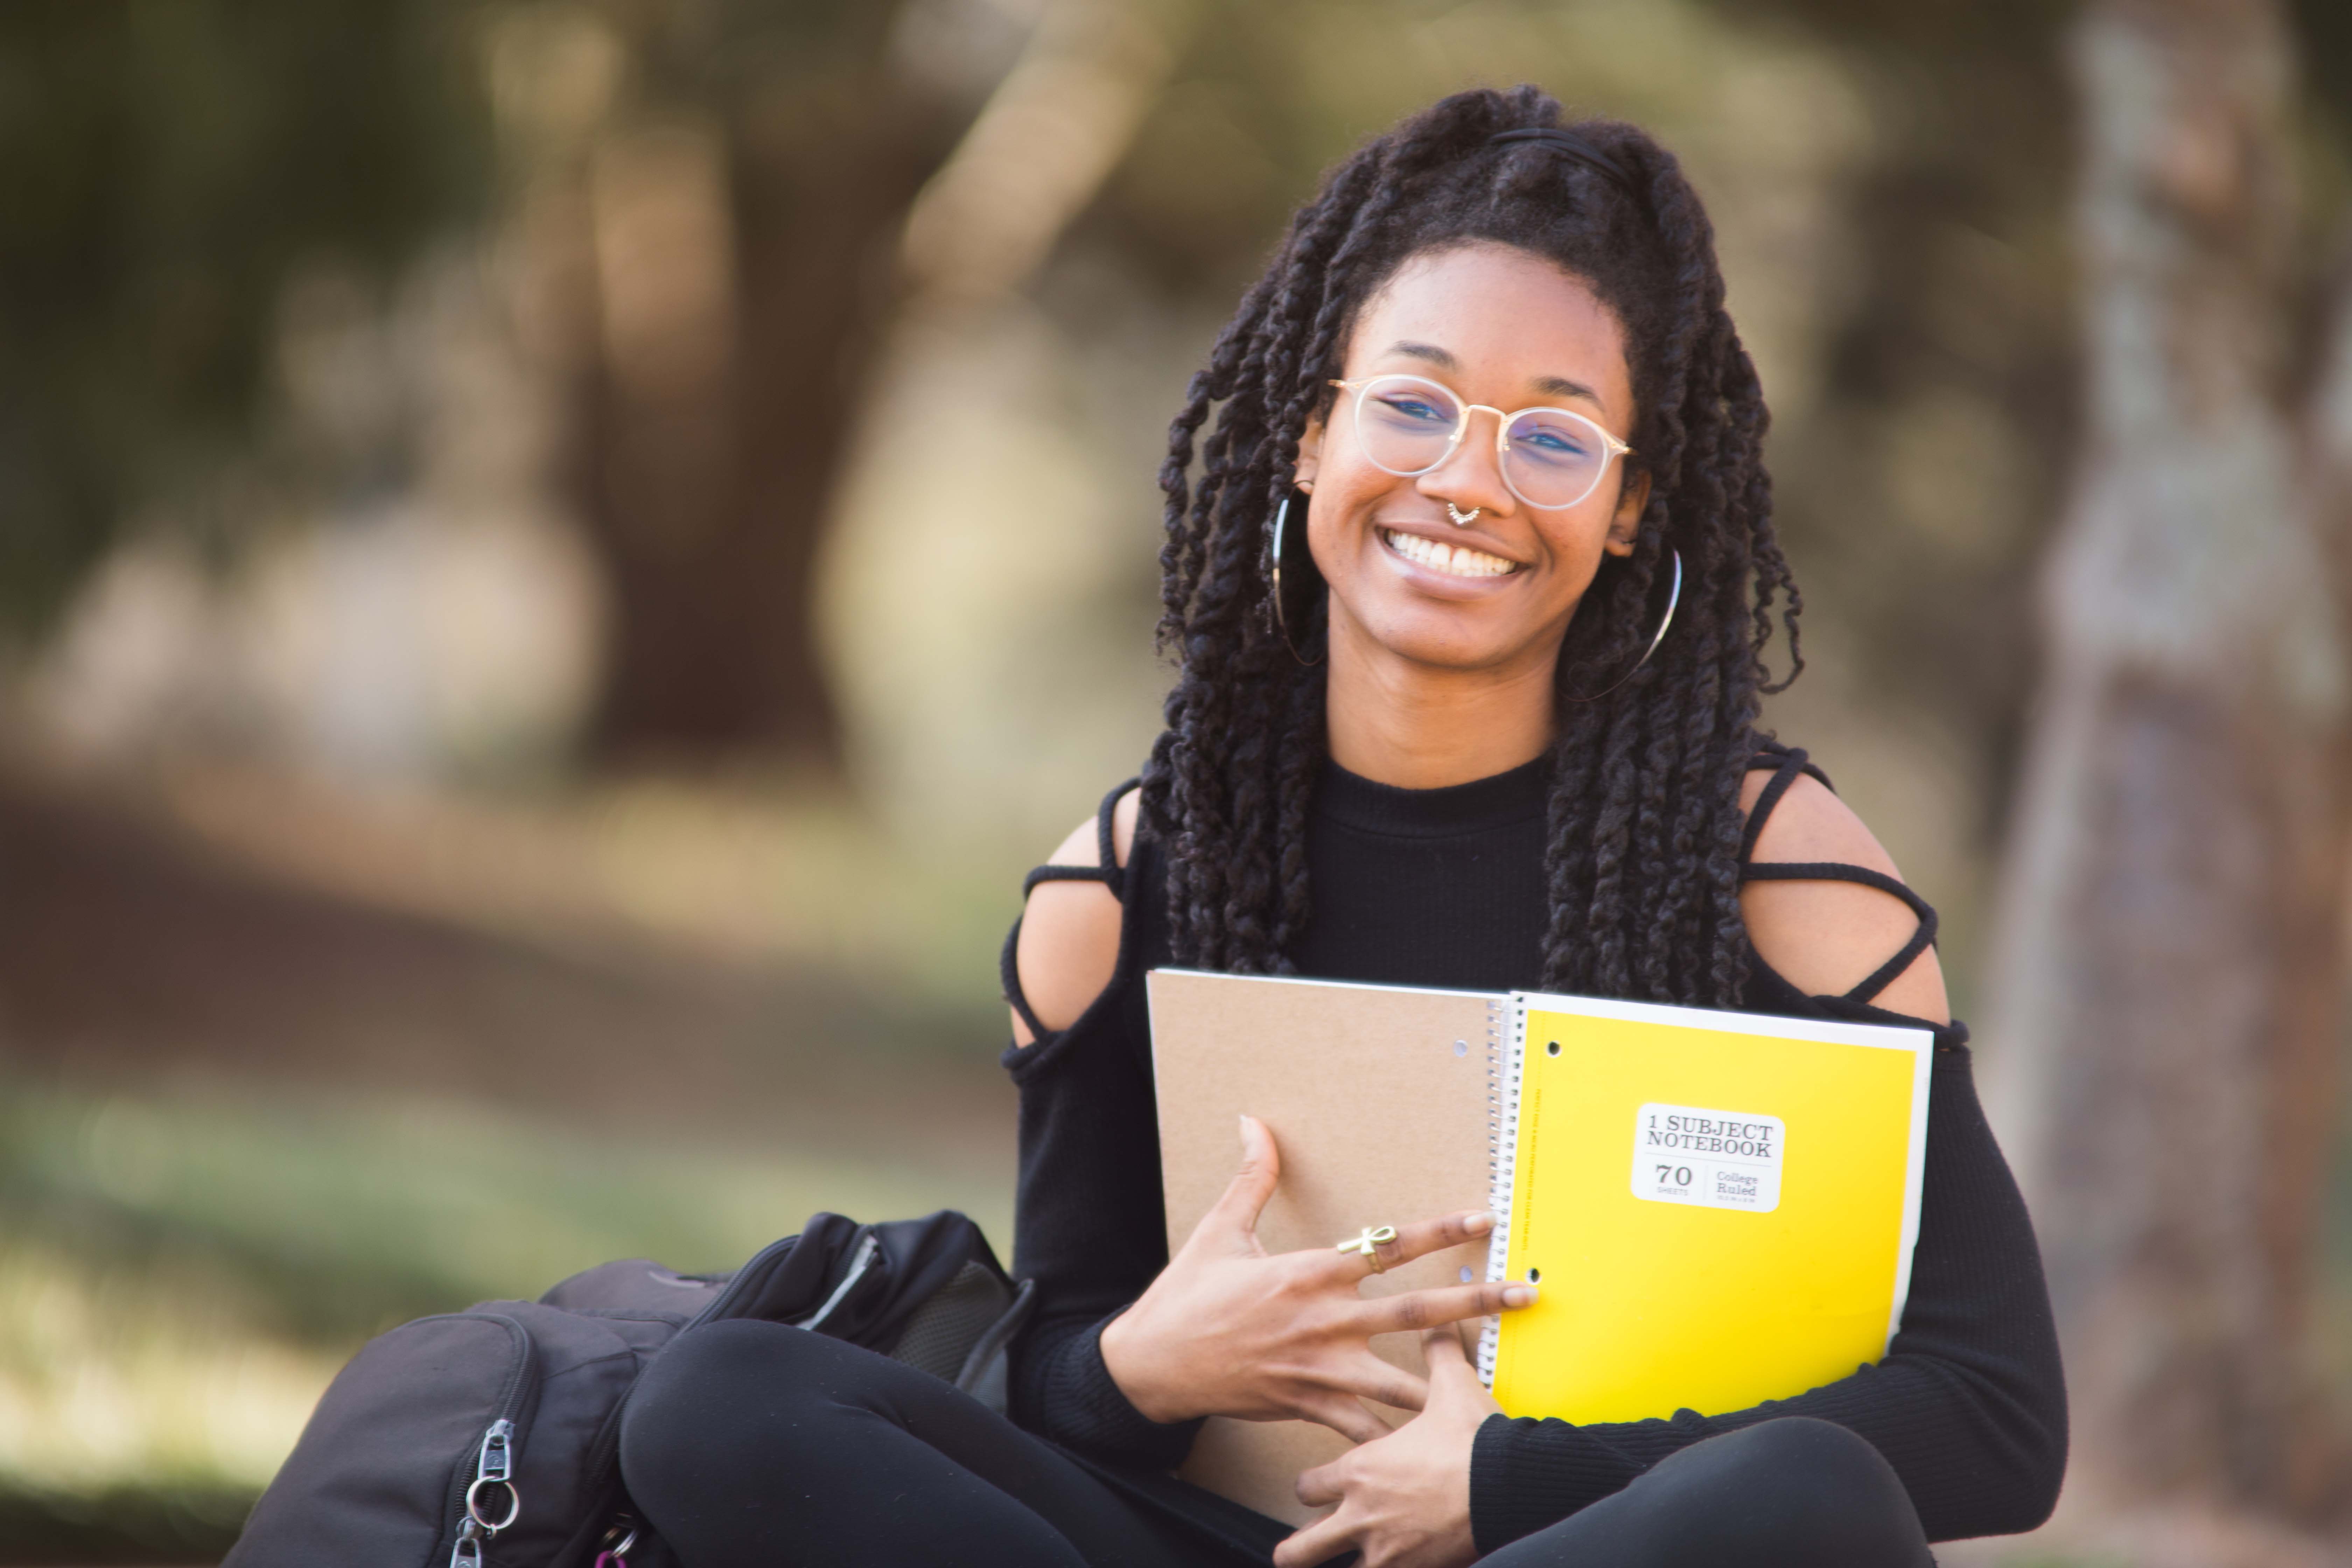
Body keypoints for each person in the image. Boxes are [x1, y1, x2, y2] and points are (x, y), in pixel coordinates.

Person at [619, 86, 2067, 1567]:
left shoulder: (1780, 877)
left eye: (1554, 441)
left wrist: (1510, 1483)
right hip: (1220, 1544)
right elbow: (1052, 1384)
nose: (1466, 482)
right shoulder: (1122, 886)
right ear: (1312, 434)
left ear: (1632, 509)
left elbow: (1998, 1416)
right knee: (725, 1397)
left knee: (1808, 1496)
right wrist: (1144, 1367)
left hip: (1565, 1554)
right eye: (1412, 404)